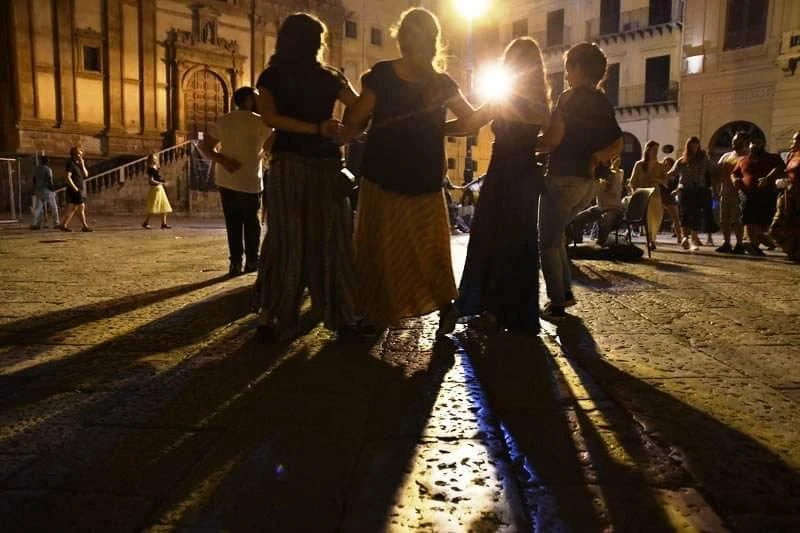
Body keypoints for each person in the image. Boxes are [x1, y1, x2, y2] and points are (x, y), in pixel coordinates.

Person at [342, 7, 476, 336]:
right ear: (434, 41)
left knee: (377, 244)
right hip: (425, 177)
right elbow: (472, 121)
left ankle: (374, 313)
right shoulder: (442, 82)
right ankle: (447, 306)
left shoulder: (382, 75)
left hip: (381, 173)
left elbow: (356, 119)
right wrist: (438, 130)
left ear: (401, 38)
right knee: (429, 247)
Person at [254, 13, 361, 341]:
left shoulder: (270, 76)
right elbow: (361, 107)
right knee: (332, 240)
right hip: (326, 165)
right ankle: (342, 316)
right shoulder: (332, 77)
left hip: (288, 165)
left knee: (286, 238)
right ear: (318, 42)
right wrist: (344, 133)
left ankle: (272, 316)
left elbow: (270, 118)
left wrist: (312, 128)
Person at [436, 37, 550, 334]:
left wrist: (436, 128)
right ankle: (516, 313)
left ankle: (483, 306)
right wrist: (528, 146)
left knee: (489, 236)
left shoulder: (504, 98)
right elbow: (553, 140)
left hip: (502, 174)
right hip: (525, 175)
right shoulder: (542, 103)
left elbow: (469, 124)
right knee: (520, 241)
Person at [536, 42, 623, 320]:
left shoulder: (567, 98)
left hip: (562, 177)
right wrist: (597, 157)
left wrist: (526, 144)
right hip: (586, 184)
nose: (565, 75)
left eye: (567, 68)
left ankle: (557, 303)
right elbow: (618, 142)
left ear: (578, 68)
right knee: (558, 236)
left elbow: (554, 139)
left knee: (547, 240)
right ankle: (566, 294)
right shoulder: (602, 101)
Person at [200, 86, 272, 275]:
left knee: (232, 223)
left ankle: (235, 263)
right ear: (249, 100)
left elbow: (204, 146)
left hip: (226, 179)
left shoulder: (224, 120)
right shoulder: (262, 123)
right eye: (256, 98)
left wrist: (222, 160)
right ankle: (252, 261)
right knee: (252, 223)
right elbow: (272, 146)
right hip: (250, 181)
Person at [732, 137, 785, 256]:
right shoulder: (743, 160)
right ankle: (753, 245)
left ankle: (758, 242)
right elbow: (734, 173)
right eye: (753, 143)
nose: (756, 145)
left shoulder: (773, 158)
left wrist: (768, 178)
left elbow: (780, 168)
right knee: (749, 220)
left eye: (759, 143)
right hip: (747, 194)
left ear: (764, 144)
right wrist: (735, 180)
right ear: (749, 145)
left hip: (766, 194)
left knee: (764, 221)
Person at [667, 137, 714, 251]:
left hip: (698, 189)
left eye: (696, 145)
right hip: (684, 190)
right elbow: (672, 173)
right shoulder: (682, 160)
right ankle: (685, 238)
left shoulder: (703, 159)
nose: (694, 148)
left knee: (696, 214)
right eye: (692, 145)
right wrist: (660, 173)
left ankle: (693, 239)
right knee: (685, 214)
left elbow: (712, 170)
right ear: (688, 146)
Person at [571, 154, 625, 247]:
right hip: (600, 208)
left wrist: (606, 184)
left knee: (605, 220)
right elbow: (589, 193)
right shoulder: (596, 177)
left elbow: (614, 191)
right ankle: (578, 244)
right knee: (577, 219)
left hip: (614, 209)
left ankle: (600, 245)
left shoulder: (615, 175)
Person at [629, 140, 669, 250]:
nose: (655, 152)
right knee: (648, 217)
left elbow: (666, 181)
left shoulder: (660, 166)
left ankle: (652, 238)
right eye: (653, 149)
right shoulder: (639, 164)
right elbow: (632, 182)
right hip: (643, 195)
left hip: (655, 194)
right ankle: (651, 240)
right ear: (648, 150)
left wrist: (656, 179)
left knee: (658, 216)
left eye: (657, 150)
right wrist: (635, 194)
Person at [715, 132, 749, 254]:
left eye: (737, 141)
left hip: (739, 193)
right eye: (733, 140)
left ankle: (739, 244)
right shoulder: (726, 156)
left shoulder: (747, 156)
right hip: (725, 192)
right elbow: (717, 171)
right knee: (724, 220)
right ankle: (726, 243)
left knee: (737, 220)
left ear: (745, 142)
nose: (734, 143)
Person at [769, 131, 800, 261]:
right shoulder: (792, 155)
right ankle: (791, 250)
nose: (793, 143)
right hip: (789, 194)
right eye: (793, 140)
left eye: (796, 140)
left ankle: (795, 253)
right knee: (776, 227)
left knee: (796, 226)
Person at [58, 146, 92, 232]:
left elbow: (86, 174)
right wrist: (75, 188)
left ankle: (63, 224)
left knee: (73, 208)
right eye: (79, 153)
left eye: (81, 153)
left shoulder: (78, 164)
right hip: (74, 189)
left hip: (78, 189)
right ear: (74, 154)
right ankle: (84, 226)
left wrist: (83, 164)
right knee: (81, 206)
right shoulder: (70, 163)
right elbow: (67, 176)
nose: (81, 155)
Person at [141, 154, 172, 230]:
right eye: (153, 159)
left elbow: (157, 177)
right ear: (150, 160)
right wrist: (161, 183)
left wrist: (162, 182)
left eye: (155, 158)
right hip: (155, 189)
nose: (155, 160)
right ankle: (146, 222)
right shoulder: (150, 168)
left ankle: (163, 223)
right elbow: (151, 181)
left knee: (164, 206)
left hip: (160, 188)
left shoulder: (156, 167)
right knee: (153, 207)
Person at [30, 156, 59, 230]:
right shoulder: (48, 169)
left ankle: (35, 224)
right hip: (47, 190)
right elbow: (50, 180)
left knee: (38, 208)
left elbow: (34, 179)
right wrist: (53, 189)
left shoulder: (37, 169)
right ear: (47, 162)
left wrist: (35, 187)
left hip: (38, 190)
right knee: (53, 207)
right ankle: (56, 223)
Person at [660, 156, 683, 243]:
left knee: (675, 218)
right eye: (665, 164)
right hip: (661, 195)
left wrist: (676, 191)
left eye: (668, 164)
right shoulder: (662, 174)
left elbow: (679, 184)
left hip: (670, 196)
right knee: (657, 217)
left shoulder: (676, 175)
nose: (666, 166)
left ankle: (679, 237)